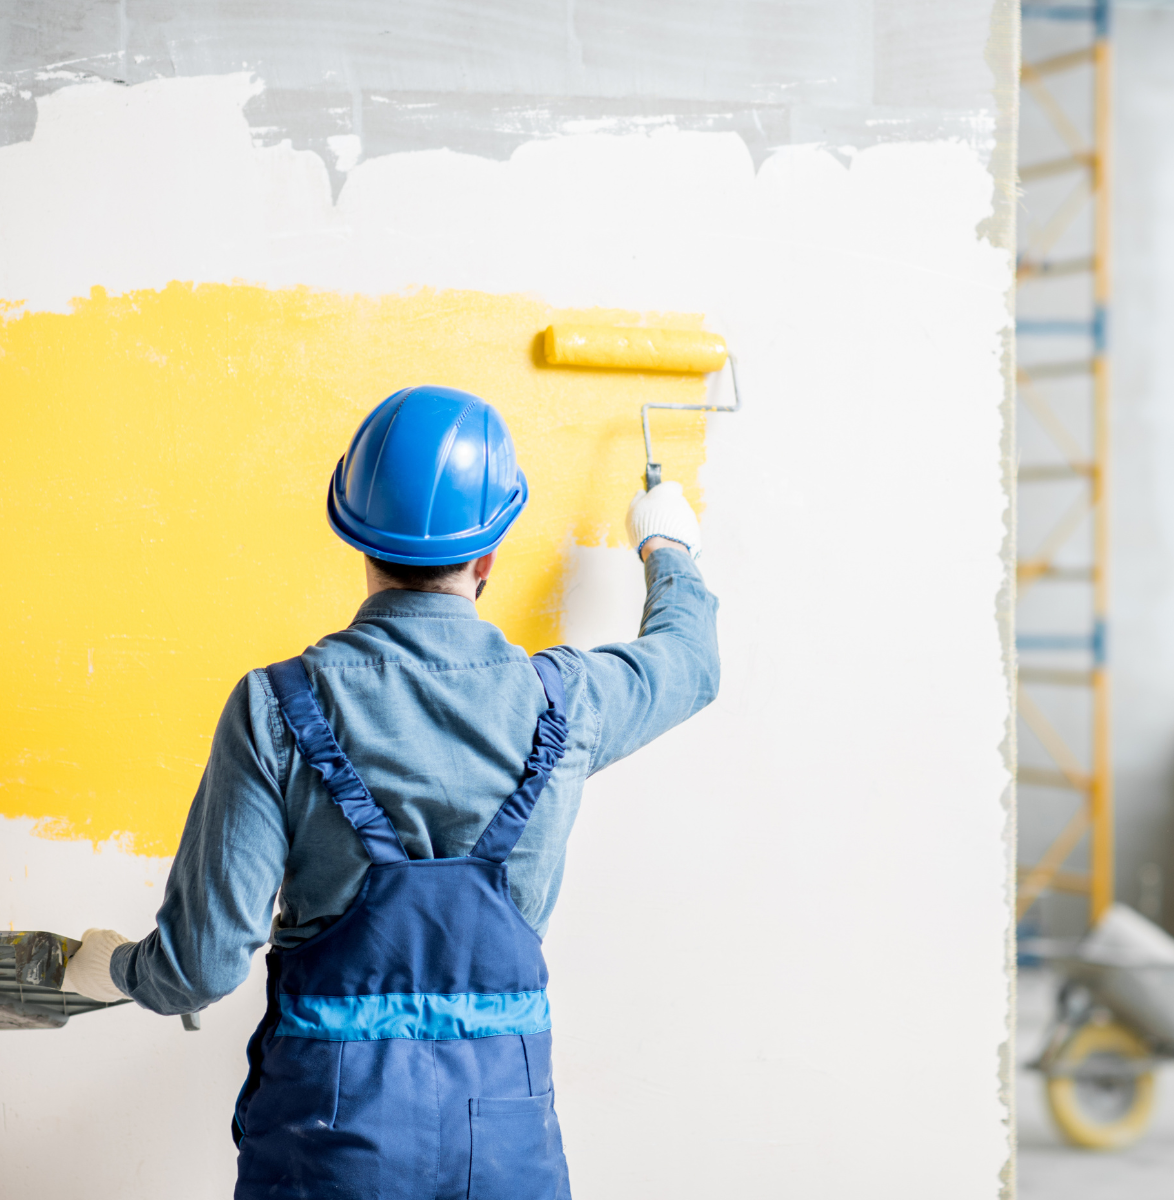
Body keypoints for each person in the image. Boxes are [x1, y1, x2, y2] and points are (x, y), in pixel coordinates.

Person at [61, 384, 719, 1199]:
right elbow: (691, 665)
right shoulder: (568, 702)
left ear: (354, 535)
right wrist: (666, 543)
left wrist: (112, 968)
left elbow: (199, 967)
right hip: (505, 1147)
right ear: (488, 558)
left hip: (330, 1147)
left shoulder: (276, 707)